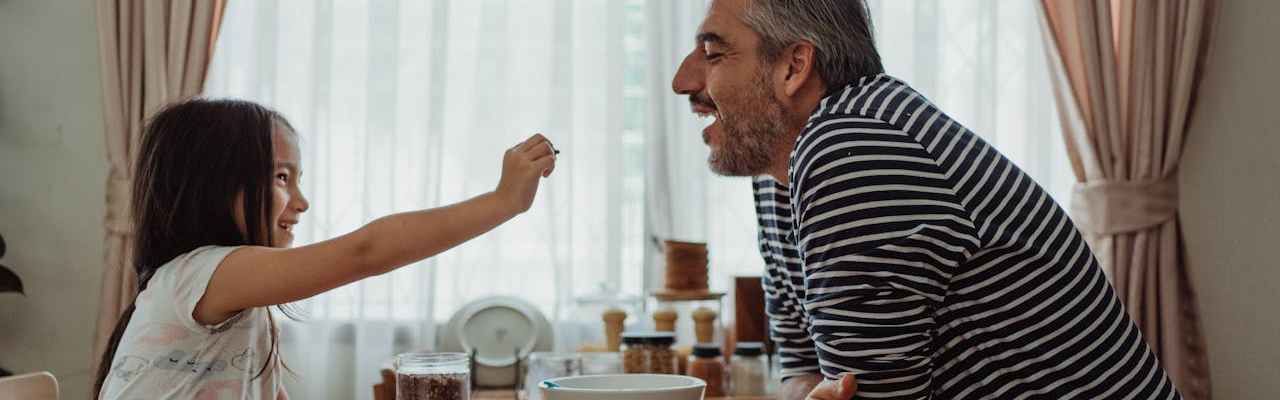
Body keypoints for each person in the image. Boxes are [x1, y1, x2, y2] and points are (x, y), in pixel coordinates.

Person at [671, 1, 1182, 399]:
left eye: (714, 54)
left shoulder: (854, 149)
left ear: (793, 66)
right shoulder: (781, 168)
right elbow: (803, 370)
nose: (683, 81)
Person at [94, 99, 557, 399]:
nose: (301, 202)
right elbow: (366, 252)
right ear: (212, 183)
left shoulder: (238, 302)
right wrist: (502, 202)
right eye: (281, 177)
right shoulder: (201, 273)